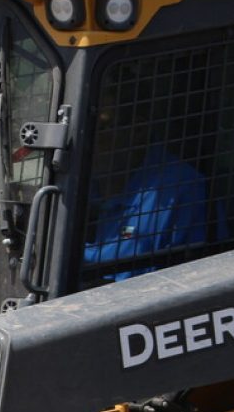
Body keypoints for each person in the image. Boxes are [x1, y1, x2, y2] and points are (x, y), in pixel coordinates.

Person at [82, 71, 213, 281]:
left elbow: (196, 281)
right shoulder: (72, 185)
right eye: (82, 128)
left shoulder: (179, 191)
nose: (87, 140)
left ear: (138, 129)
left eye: (101, 128)